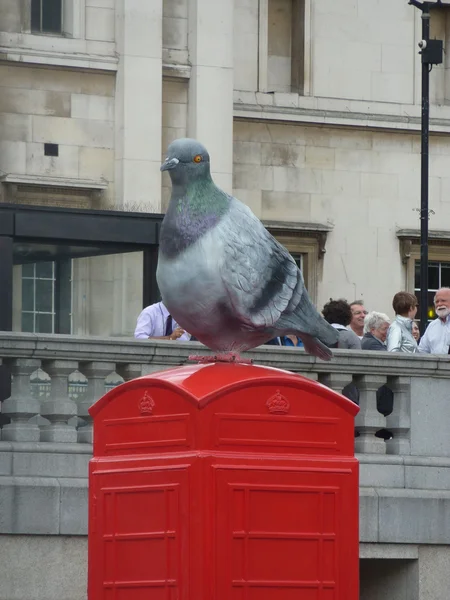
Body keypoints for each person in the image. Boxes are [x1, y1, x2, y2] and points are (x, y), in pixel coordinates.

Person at [418, 287, 450, 354]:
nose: (439, 304)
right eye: (437, 302)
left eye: (443, 301)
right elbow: (422, 351)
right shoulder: (432, 326)